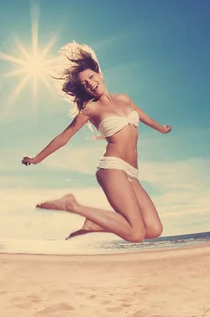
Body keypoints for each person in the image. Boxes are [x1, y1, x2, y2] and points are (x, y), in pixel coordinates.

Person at [21, 43, 172, 243]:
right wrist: (37, 158)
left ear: (99, 73)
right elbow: (65, 136)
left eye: (91, 77)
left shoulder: (124, 99)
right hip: (112, 168)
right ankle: (72, 205)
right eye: (84, 84)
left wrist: (161, 128)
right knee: (135, 234)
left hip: (131, 172)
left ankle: (94, 224)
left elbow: (142, 117)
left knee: (153, 229)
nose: (90, 83)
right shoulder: (89, 110)